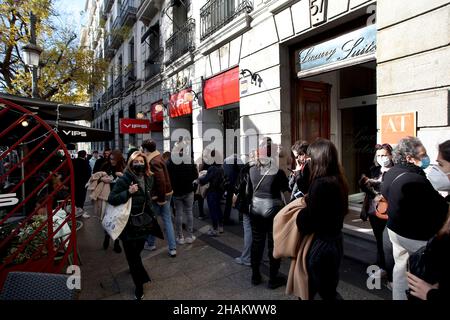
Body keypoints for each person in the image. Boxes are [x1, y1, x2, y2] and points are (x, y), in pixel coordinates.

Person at [381, 136, 449, 300]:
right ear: (409, 158)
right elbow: (439, 208)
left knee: (400, 270)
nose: (427, 159)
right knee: (422, 273)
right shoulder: (415, 179)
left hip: (395, 232)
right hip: (415, 237)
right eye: (423, 154)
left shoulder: (392, 173)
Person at [296, 138, 349, 300]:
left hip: (321, 245)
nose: (308, 161)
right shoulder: (338, 179)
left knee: (323, 291)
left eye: (310, 158)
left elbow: (307, 222)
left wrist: (300, 211)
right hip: (335, 240)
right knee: (327, 288)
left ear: (318, 159)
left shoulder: (321, 184)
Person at [108, 151, 155, 300]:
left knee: (137, 252)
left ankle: (136, 270)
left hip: (143, 223)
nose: (139, 164)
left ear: (145, 163)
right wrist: (128, 192)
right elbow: (112, 199)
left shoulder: (149, 177)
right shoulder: (124, 179)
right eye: (135, 162)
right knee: (133, 257)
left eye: (141, 162)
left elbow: (148, 198)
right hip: (127, 224)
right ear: (130, 163)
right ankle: (139, 287)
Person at [249, 138, 289, 289]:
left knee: (257, 242)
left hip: (255, 208)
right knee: (273, 245)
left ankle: (255, 276)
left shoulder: (252, 169)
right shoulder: (278, 172)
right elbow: (286, 191)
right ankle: (273, 279)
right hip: (273, 209)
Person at [359, 143, 394, 287]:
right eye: (379, 155)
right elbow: (365, 187)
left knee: (390, 244)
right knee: (379, 240)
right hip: (375, 211)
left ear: (391, 155)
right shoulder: (374, 170)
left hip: (389, 213)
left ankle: (391, 272)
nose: (381, 158)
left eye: (384, 155)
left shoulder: (395, 171)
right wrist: (371, 192)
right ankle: (381, 266)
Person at [141, 139, 176, 257]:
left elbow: (160, 181)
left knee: (154, 220)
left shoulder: (153, 161)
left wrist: (161, 199)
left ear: (146, 149)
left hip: (160, 196)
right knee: (166, 220)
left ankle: (151, 244)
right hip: (166, 193)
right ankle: (172, 248)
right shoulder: (158, 157)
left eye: (143, 149)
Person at [167, 142, 198, 245]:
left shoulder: (170, 161)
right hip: (188, 190)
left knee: (178, 214)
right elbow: (195, 175)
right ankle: (190, 236)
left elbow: (167, 177)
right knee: (189, 212)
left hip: (176, 191)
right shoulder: (189, 159)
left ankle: (180, 237)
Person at [99, 149, 126, 253]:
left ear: (119, 159)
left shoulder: (124, 167)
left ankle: (116, 242)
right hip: (107, 197)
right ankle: (106, 236)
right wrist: (102, 179)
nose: (112, 161)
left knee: (117, 220)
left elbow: (130, 180)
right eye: (110, 159)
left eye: (114, 159)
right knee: (107, 219)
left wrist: (122, 176)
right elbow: (95, 177)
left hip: (119, 198)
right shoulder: (105, 166)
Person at [233, 150, 256, 267]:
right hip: (262, 205)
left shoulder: (245, 169)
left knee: (248, 230)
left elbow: (237, 187)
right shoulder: (266, 168)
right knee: (262, 231)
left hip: (248, 204)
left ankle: (246, 257)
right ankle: (264, 256)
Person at [223, 153, 244, 225]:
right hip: (233, 183)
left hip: (226, 182)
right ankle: (227, 219)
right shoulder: (237, 160)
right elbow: (243, 170)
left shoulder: (225, 160)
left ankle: (226, 217)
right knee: (239, 199)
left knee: (228, 200)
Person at [72, 150, 91, 218]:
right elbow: (89, 172)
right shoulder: (85, 162)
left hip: (75, 182)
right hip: (83, 183)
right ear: (85, 155)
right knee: (82, 197)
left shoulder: (74, 161)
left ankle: (75, 209)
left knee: (76, 196)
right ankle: (80, 210)